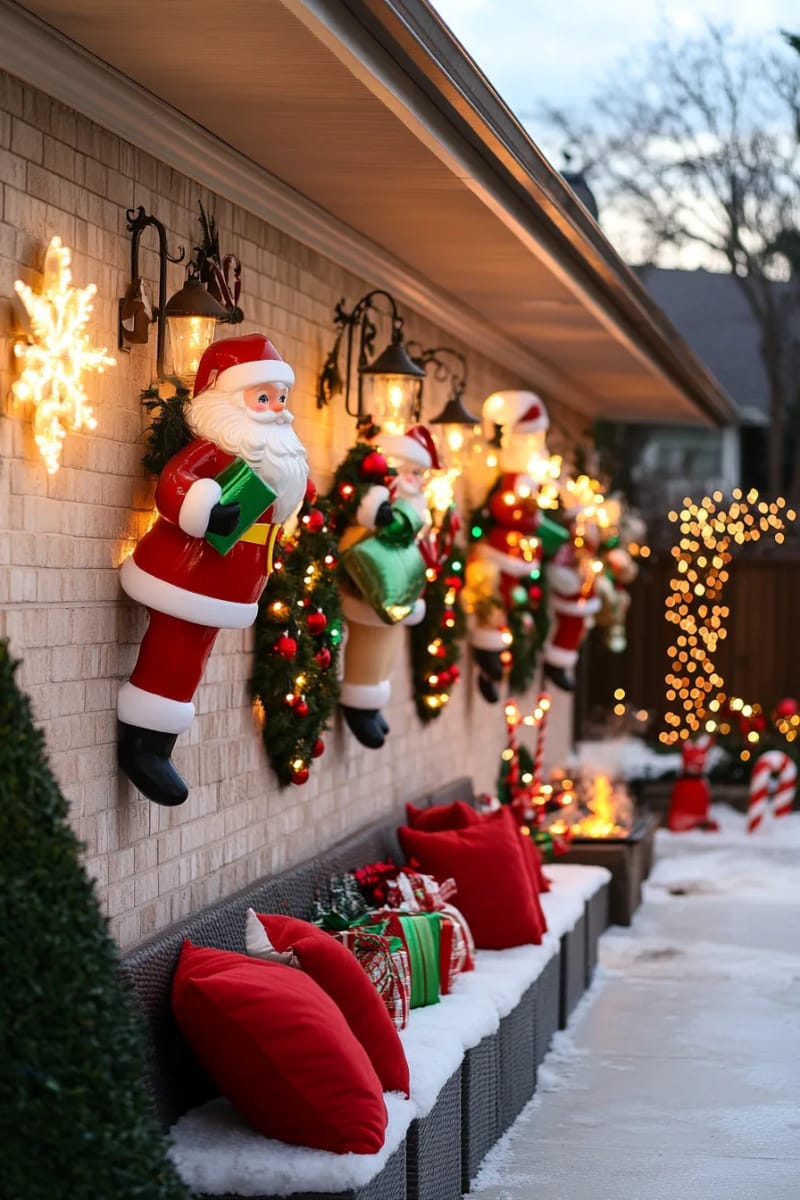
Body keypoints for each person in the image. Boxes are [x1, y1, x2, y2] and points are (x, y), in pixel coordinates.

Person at [117, 333, 309, 805]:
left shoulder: (273, 455)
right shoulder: (219, 447)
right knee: (174, 652)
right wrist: (205, 509)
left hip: (231, 584)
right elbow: (174, 485)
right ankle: (145, 748)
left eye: (280, 398)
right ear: (227, 397)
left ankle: (157, 743)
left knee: (192, 658)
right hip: (187, 575)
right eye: (262, 397)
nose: (276, 408)